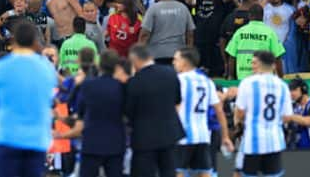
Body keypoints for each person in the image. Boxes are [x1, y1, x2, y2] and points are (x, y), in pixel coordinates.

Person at [0, 19, 57, 177]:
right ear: (35, 41)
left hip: (7, 136)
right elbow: (49, 98)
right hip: (36, 139)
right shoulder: (46, 68)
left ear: (14, 40)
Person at [55, 49, 125, 177]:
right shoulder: (122, 88)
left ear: (100, 65)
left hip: (91, 145)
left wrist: (60, 134)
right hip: (116, 145)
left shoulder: (88, 86)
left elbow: (79, 119)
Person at [172, 47, 234, 177]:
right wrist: (225, 136)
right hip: (203, 136)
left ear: (184, 62)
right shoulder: (207, 82)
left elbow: (174, 108)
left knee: (178, 171)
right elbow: (219, 111)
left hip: (183, 136)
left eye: (176, 59)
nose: (173, 63)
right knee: (204, 172)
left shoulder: (178, 80)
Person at [125, 44, 184, 176]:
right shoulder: (170, 74)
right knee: (169, 172)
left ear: (134, 60)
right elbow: (177, 101)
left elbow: (129, 111)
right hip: (170, 134)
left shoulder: (135, 82)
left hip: (144, 138)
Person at [234, 50, 294, 177]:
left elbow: (239, 112)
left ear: (259, 64)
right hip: (274, 141)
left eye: (254, 62)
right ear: (273, 65)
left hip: (253, 141)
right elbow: (287, 117)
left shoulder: (248, 83)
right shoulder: (282, 86)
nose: (252, 65)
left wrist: (241, 122)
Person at [225, 4, 286, 79]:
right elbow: (278, 58)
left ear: (249, 16)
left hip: (243, 79)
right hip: (264, 78)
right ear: (262, 16)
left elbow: (232, 57)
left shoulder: (240, 32)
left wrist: (230, 76)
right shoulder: (270, 33)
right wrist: (280, 77)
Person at [139, 0, 194, 65]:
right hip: (178, 55)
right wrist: (188, 54)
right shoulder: (183, 8)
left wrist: (140, 53)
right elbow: (190, 34)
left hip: (157, 55)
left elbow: (144, 34)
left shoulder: (153, 9)